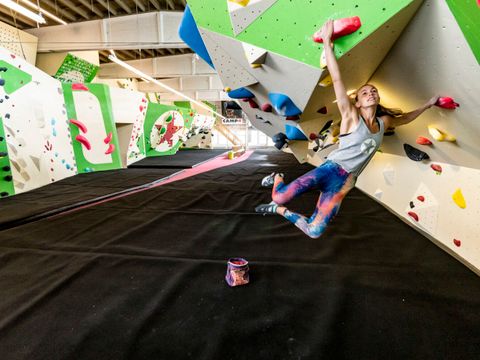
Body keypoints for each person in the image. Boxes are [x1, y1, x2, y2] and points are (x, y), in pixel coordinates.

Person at [254, 19, 439, 239]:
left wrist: (428, 105)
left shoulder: (383, 123)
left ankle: (278, 211)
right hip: (330, 169)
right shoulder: (351, 116)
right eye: (365, 92)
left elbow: (405, 118)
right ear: (358, 102)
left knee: (314, 231)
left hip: (345, 183)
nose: (371, 93)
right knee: (280, 195)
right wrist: (327, 42)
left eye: (374, 92)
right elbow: (337, 78)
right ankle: (278, 176)